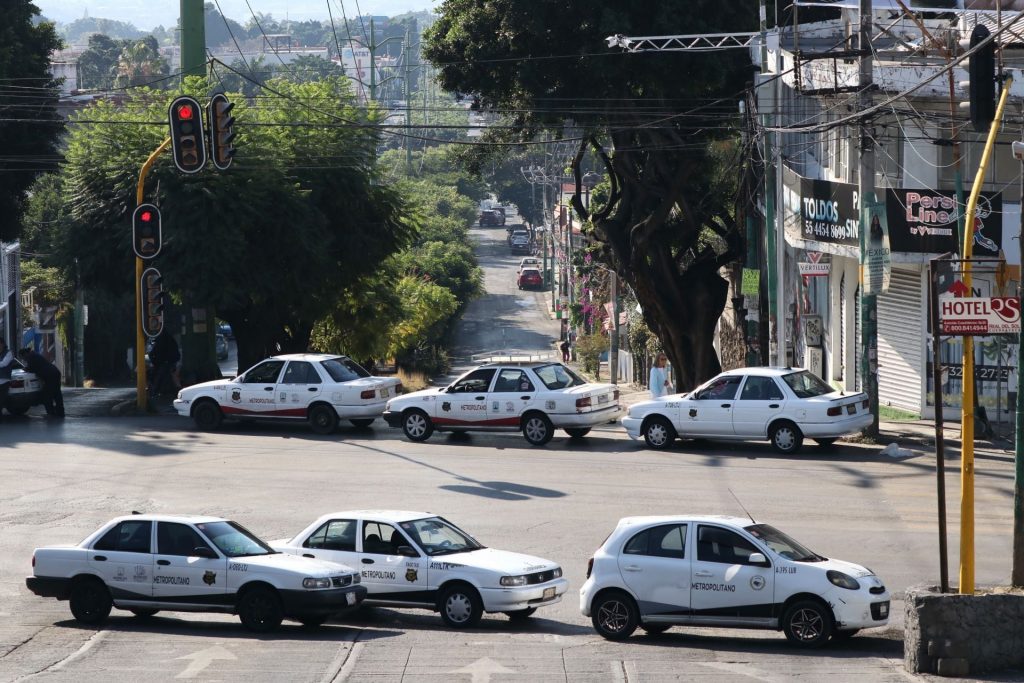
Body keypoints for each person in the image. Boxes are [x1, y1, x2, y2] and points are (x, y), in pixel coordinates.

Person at [18, 347, 64, 417]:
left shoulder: (31, 357)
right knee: (57, 393)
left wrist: (26, 369)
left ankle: (51, 412)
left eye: (22, 357)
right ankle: (60, 412)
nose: (23, 359)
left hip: (50, 375)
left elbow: (32, 368)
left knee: (47, 395)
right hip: (54, 372)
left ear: (24, 354)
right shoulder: (34, 355)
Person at [149, 330, 180, 398]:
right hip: (171, 361)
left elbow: (157, 352)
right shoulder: (168, 339)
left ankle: (155, 392)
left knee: (159, 377)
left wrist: (154, 360)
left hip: (165, 362)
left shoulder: (161, 340)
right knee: (173, 377)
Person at [0, 339, 14, 420]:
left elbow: (4, 363)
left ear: (2, 344)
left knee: (1, 401)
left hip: (4, 381)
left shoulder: (8, 353)